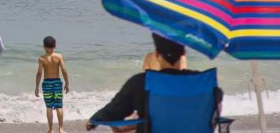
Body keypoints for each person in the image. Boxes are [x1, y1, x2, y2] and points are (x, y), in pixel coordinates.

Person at [86, 33, 222, 133]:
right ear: (184, 53)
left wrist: (95, 119)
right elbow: (216, 106)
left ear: (157, 54)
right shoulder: (204, 84)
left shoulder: (141, 82)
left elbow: (115, 111)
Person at [35, 35, 70, 133]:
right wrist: (67, 83)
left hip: (47, 84)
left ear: (44, 46)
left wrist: (37, 87)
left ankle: (50, 129)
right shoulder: (59, 57)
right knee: (59, 106)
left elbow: (39, 73)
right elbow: (64, 70)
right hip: (57, 83)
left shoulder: (42, 59)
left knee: (49, 107)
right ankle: (61, 128)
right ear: (55, 46)